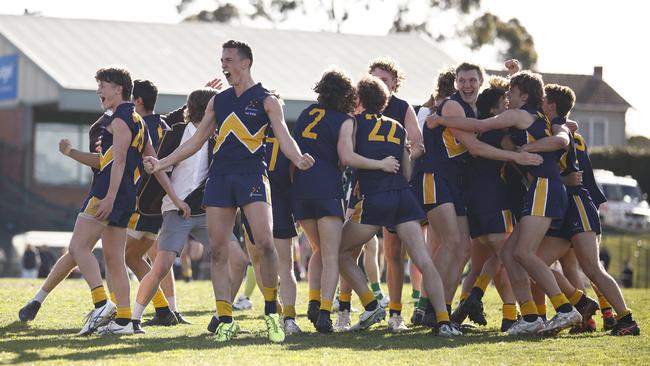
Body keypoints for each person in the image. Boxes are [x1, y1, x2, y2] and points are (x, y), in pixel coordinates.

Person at [144, 40, 314, 343]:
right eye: (221, 59)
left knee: (264, 243)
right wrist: (162, 162)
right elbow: (195, 142)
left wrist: (298, 158)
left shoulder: (267, 100)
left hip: (251, 177)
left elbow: (285, 138)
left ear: (245, 63)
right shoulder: (217, 101)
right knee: (219, 250)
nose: (223, 65)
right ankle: (225, 319)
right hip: (220, 179)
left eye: (228, 60)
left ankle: (272, 314)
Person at [428, 70, 583, 336]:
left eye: (511, 91)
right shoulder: (537, 114)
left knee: (523, 254)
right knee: (510, 254)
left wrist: (441, 118)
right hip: (542, 187)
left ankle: (566, 309)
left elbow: (481, 126)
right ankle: (531, 316)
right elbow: (561, 129)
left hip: (544, 186)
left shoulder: (518, 113)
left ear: (523, 95)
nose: (507, 95)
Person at [67, 66, 186, 336]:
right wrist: (175, 198)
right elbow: (154, 165)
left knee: (77, 248)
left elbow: (118, 161)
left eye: (103, 85)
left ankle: (100, 303)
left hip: (107, 194)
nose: (99, 91)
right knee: (114, 259)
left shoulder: (119, 120)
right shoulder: (138, 121)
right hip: (126, 199)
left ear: (118, 89)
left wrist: (108, 196)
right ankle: (123, 320)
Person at [338, 75, 460, 337]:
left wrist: (375, 167)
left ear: (358, 99)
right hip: (403, 197)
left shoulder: (353, 123)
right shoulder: (398, 127)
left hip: (375, 198)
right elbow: (406, 171)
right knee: (424, 261)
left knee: (337, 252)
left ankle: (371, 304)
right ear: (384, 101)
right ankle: (443, 321)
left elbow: (347, 158)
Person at [132, 88, 248, 334]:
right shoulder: (176, 133)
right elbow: (160, 169)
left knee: (238, 261)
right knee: (161, 266)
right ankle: (131, 320)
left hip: (209, 212)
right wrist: (177, 200)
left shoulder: (219, 137)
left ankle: (221, 317)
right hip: (176, 209)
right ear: (207, 109)